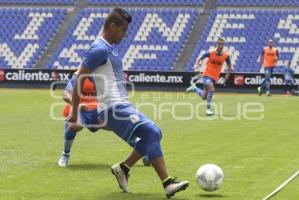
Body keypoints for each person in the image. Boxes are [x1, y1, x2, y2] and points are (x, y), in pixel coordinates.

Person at [68, 8, 189, 198]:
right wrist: (74, 115)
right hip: (112, 108)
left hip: (120, 104)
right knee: (153, 132)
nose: (125, 34)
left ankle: (123, 168)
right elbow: (79, 81)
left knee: (152, 136)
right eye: (123, 30)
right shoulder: (99, 49)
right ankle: (167, 184)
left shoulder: (108, 48)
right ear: (112, 26)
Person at [58, 71, 100, 167]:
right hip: (78, 109)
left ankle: (139, 148)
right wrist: (76, 105)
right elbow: (65, 94)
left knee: (115, 123)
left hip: (95, 110)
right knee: (75, 126)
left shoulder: (104, 76)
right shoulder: (78, 76)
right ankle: (65, 154)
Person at [186, 38, 232, 116]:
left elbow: (229, 65)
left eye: (222, 44)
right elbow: (199, 59)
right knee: (212, 89)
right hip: (207, 75)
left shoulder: (226, 55)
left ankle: (194, 88)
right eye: (219, 44)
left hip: (215, 77)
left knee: (204, 96)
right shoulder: (211, 52)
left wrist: (227, 75)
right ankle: (208, 110)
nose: (221, 46)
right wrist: (197, 66)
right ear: (216, 44)